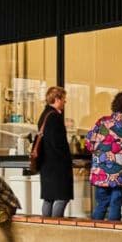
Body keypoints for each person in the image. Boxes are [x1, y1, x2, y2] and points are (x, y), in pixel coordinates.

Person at [86, 91, 122, 221]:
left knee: (101, 205)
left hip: (100, 170)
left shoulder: (102, 122)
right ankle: (115, 236)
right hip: (121, 173)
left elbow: (89, 144)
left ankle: (93, 235)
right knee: (115, 205)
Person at [36, 86, 73, 217]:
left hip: (46, 164)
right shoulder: (54, 117)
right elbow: (58, 144)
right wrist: (67, 160)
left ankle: (46, 226)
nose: (65, 102)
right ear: (57, 99)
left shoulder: (44, 115)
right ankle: (55, 227)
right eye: (63, 99)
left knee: (49, 198)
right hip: (57, 165)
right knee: (62, 197)